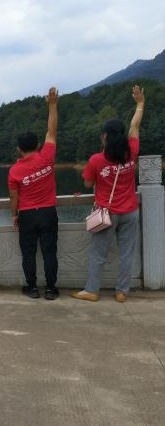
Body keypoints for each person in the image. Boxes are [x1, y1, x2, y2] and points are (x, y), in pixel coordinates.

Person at [72, 85, 145, 303]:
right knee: (126, 254)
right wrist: (140, 104)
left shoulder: (96, 160)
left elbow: (87, 183)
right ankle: (122, 292)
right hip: (130, 212)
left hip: (107, 213)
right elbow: (135, 126)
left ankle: (92, 290)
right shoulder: (131, 153)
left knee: (98, 254)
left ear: (104, 136)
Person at [8, 88, 60, 300]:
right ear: (38, 145)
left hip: (27, 215)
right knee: (49, 252)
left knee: (28, 253)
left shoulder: (14, 171)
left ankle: (31, 288)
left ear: (19, 149)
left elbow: (14, 198)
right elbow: (52, 131)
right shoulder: (46, 156)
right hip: (48, 212)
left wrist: (15, 215)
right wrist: (52, 106)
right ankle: (50, 289)